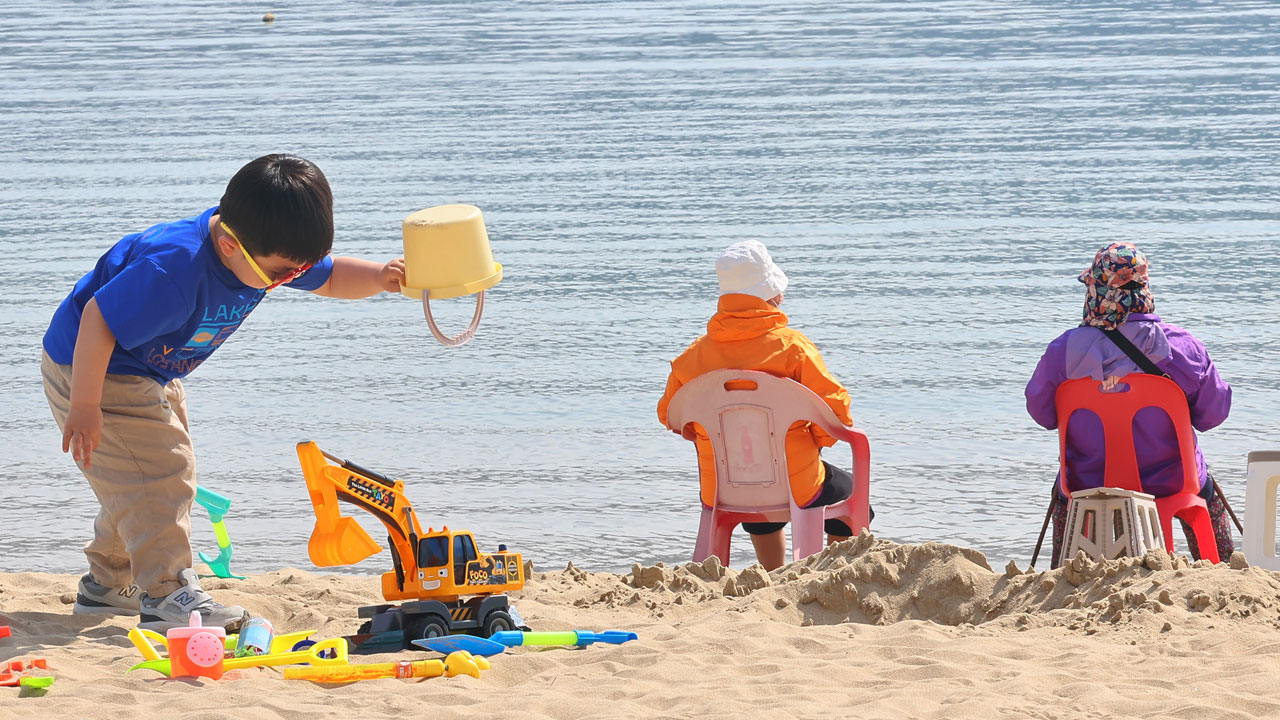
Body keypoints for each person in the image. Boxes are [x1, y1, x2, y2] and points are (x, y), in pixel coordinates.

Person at [42, 154, 407, 631]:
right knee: (161, 475)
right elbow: (98, 319)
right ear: (231, 245)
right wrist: (86, 404)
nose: (287, 282)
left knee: (140, 479)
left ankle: (109, 586)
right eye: (281, 274)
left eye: (298, 272)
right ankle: (166, 595)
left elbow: (332, 276)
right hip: (96, 369)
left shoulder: (262, 249)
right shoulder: (173, 271)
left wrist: (381, 277)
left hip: (147, 370)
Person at [657, 240, 867, 571]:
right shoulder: (792, 349)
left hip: (723, 490)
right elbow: (838, 413)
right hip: (797, 485)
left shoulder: (693, 358)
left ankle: (772, 572)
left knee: (755, 484)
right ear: (772, 296)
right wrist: (815, 441)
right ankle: (829, 574)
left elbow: (670, 416)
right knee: (853, 495)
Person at [1025, 241, 1234, 567]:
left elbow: (1041, 413)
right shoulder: (1182, 348)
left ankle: (1062, 570)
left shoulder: (1062, 352)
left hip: (1087, 482)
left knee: (1062, 495)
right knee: (1208, 498)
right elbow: (1214, 414)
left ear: (1096, 290)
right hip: (1172, 481)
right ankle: (1222, 567)